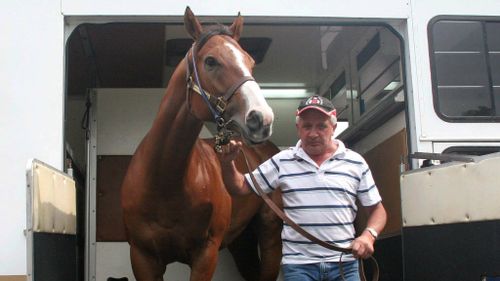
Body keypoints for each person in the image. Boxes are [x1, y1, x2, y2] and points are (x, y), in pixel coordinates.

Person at [217, 95, 387, 281]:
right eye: (307, 126)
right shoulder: (282, 161)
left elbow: (377, 211)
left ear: (333, 127)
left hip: (343, 263)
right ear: (298, 128)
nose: (313, 133)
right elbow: (241, 186)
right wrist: (227, 165)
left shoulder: (355, 162)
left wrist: (368, 236)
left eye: (321, 126)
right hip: (299, 267)